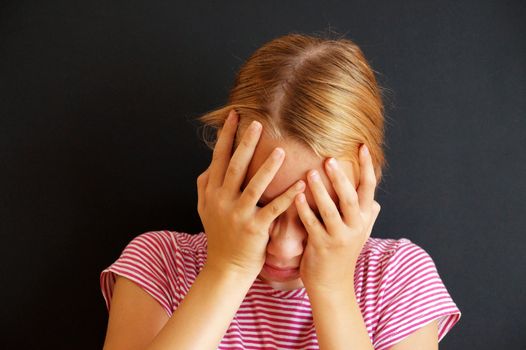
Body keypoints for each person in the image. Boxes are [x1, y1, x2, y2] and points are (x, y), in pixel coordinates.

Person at [100, 33, 461, 349]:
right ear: (222, 173)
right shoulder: (162, 264)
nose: (284, 246)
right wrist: (229, 268)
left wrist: (332, 288)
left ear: (364, 188)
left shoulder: (396, 277)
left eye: (317, 214)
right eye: (260, 204)